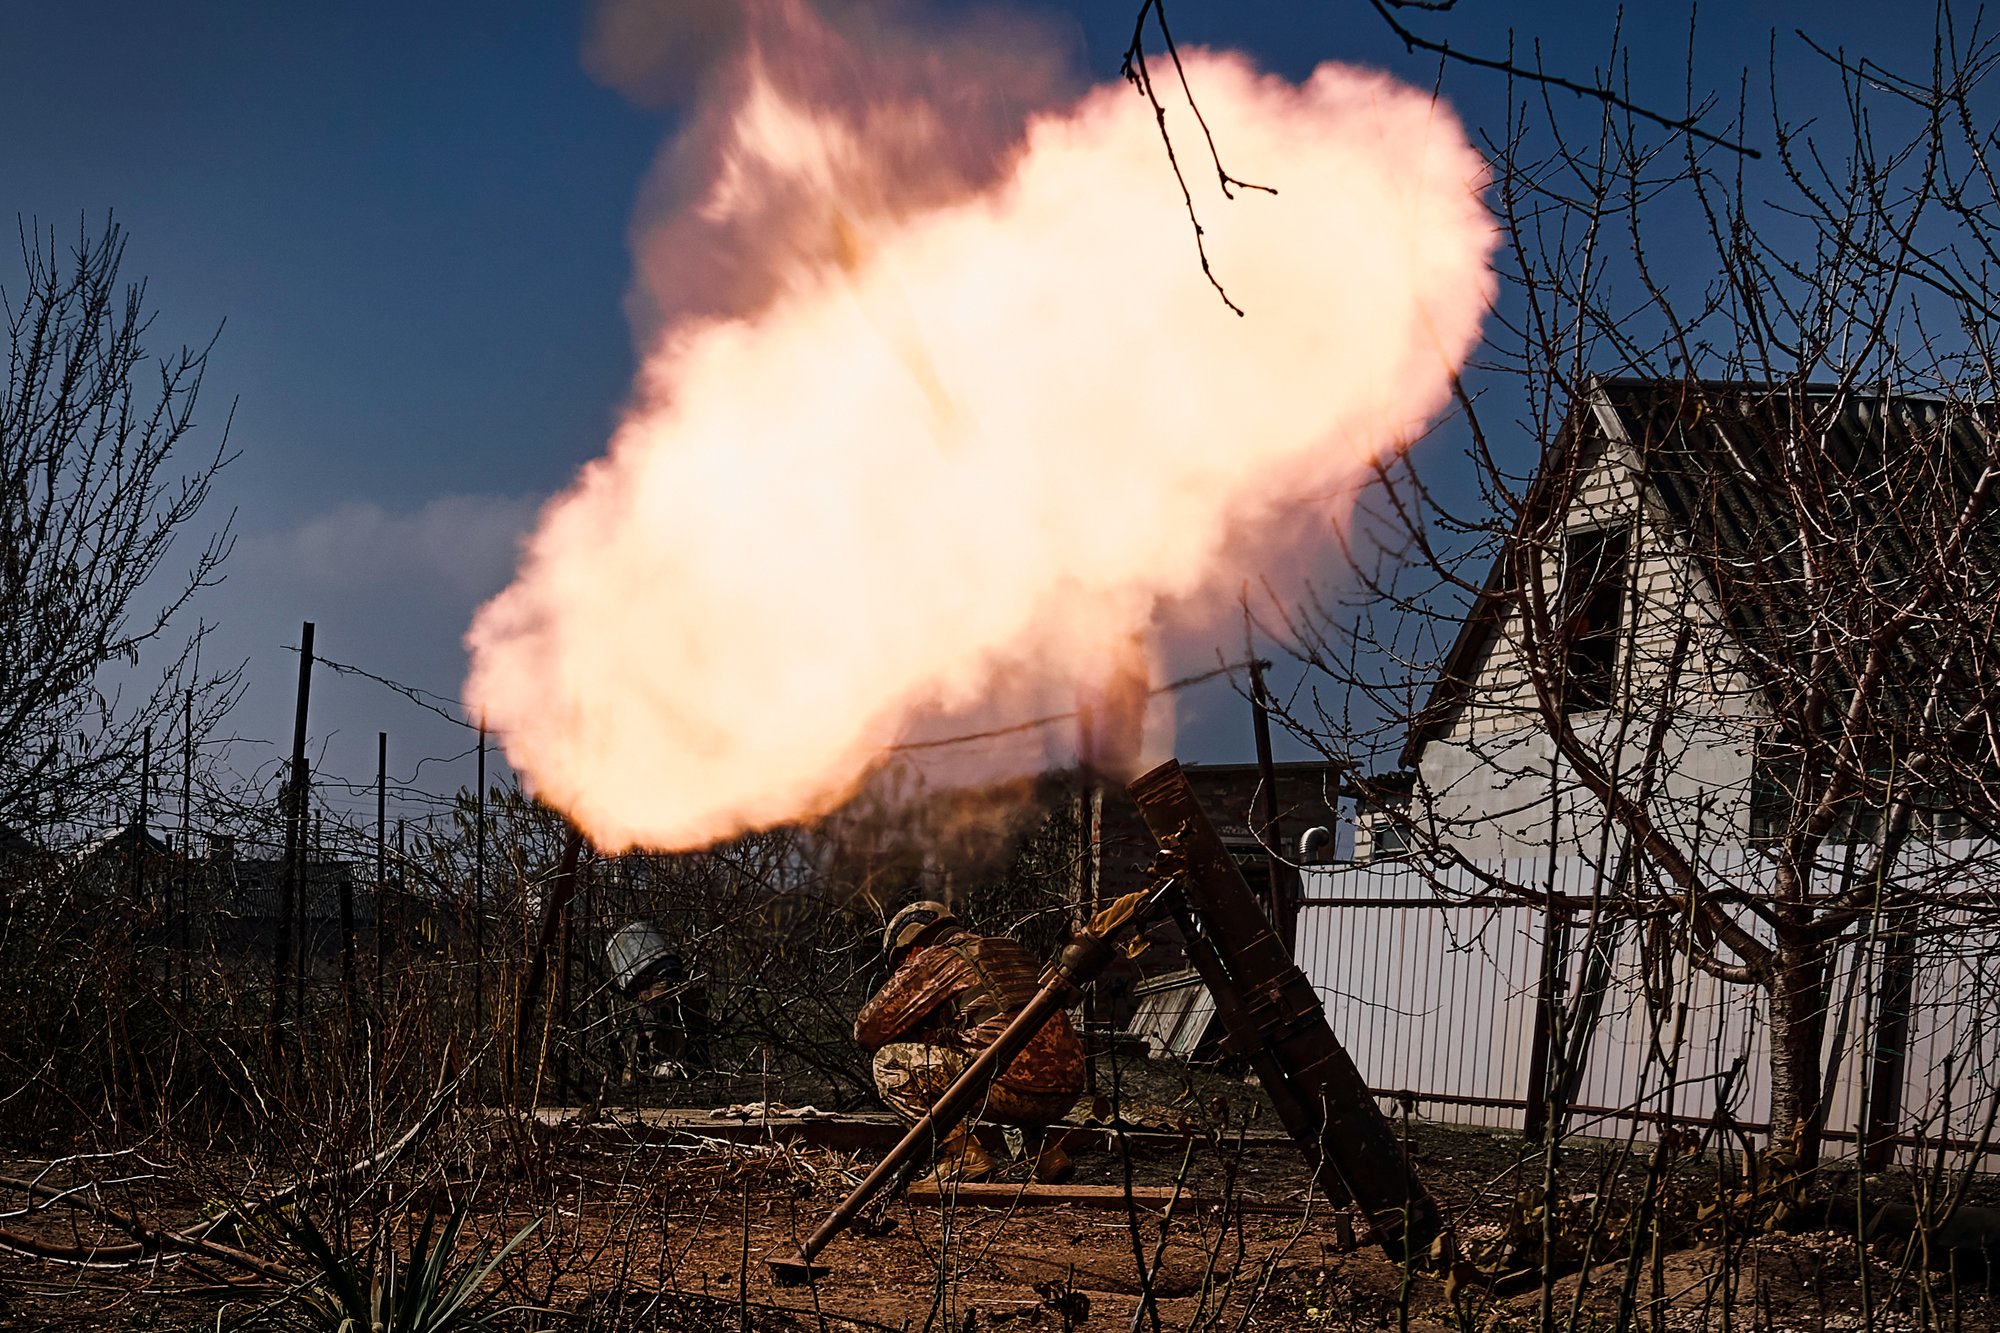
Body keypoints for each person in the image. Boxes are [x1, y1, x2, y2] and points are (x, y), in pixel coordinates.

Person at [855, 900, 1084, 1183]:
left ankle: (961, 1155)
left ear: (911, 946)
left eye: (901, 961)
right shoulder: (1008, 950)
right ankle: (1047, 1155)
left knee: (889, 1062)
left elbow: (867, 1030)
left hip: (1011, 1090)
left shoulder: (934, 958)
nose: (904, 966)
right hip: (1067, 1092)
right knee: (998, 1052)